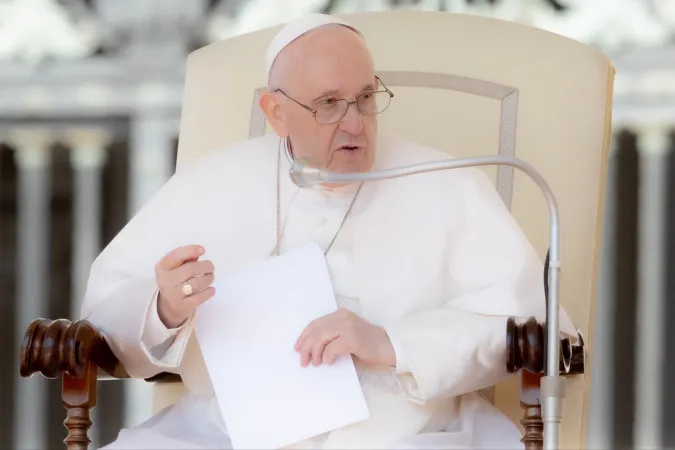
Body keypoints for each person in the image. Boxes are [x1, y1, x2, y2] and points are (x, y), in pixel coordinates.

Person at [82, 13, 576, 450]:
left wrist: (392, 342)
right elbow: (106, 308)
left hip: (407, 434)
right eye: (329, 104)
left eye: (365, 98)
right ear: (275, 114)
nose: (356, 125)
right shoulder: (211, 182)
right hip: (225, 434)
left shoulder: (447, 181)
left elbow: (540, 330)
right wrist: (163, 310)